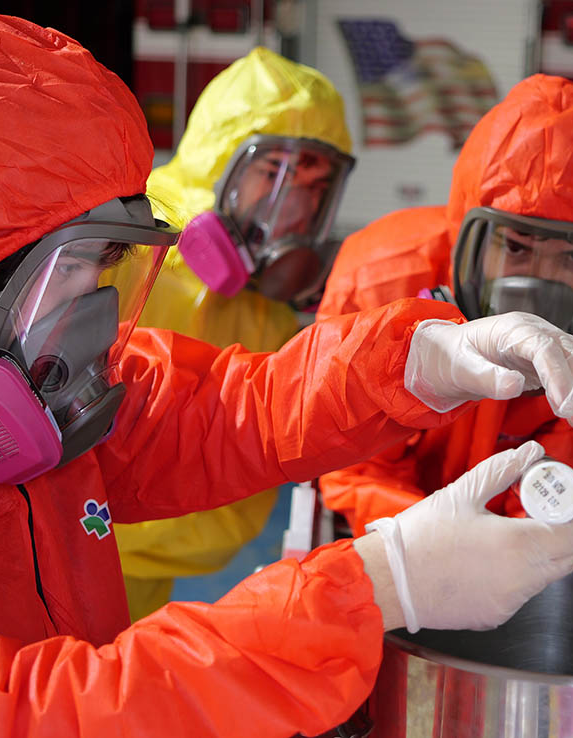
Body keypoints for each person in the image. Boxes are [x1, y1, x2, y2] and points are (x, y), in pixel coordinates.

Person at [0, 16, 573, 736]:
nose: (102, 310)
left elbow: (222, 411)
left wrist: (419, 363)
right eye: (91, 265)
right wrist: (369, 589)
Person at [317, 75, 573, 533]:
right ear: (467, 231)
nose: (540, 283)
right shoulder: (377, 284)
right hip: (395, 533)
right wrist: (436, 545)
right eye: (515, 247)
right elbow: (358, 465)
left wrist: (516, 547)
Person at [115, 48, 356, 621]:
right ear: (219, 161)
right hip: (46, 569)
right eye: (275, 175)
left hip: (141, 588)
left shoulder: (264, 313)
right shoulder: (123, 248)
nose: (293, 209)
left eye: (314, 188)